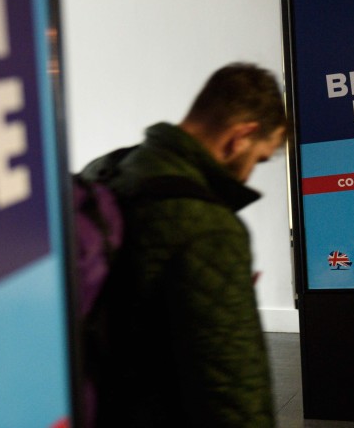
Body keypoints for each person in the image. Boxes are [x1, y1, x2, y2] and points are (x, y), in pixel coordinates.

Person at [80, 63, 288, 428]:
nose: (251, 172)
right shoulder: (212, 229)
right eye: (259, 157)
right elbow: (233, 393)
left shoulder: (106, 170)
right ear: (240, 137)